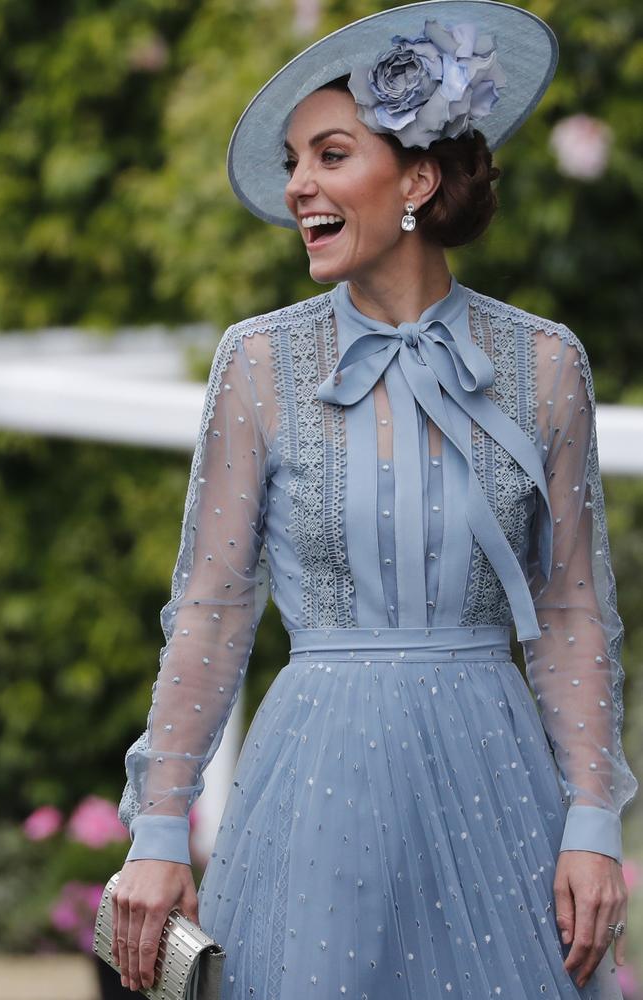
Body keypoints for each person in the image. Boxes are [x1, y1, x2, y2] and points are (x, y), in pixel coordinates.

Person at [111, 2, 638, 997]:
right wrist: (160, 826)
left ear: (418, 179)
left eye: (330, 152)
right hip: (312, 789)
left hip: (500, 789)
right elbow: (212, 612)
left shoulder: (543, 363)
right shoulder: (257, 364)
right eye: (293, 159)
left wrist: (593, 820)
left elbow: (569, 613)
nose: (296, 184)